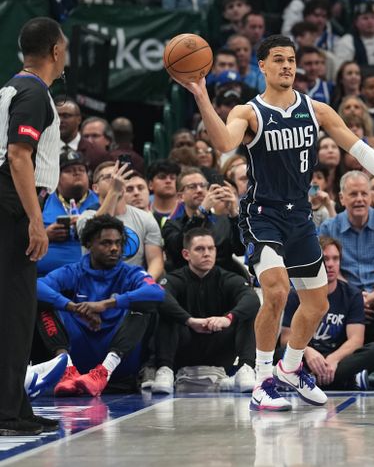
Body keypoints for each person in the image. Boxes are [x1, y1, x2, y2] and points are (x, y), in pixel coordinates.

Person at [177, 34, 374, 411]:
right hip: (262, 214)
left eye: (291, 59)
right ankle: (263, 379)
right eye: (278, 59)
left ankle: (290, 369)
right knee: (277, 291)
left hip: (300, 215)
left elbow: (355, 145)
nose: (287, 66)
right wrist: (201, 96)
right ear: (261, 66)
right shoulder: (247, 113)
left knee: (316, 304)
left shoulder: (315, 109)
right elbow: (222, 143)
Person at [0, 16, 64, 435]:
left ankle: (16, 407)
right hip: (12, 204)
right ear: (56, 52)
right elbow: (18, 156)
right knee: (13, 313)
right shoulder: (33, 92)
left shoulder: (13, 86)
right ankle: (7, 414)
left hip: (9, 200)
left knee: (16, 311)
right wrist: (36, 223)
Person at [40, 215, 165, 397]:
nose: (114, 248)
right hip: (78, 352)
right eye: (106, 243)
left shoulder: (131, 273)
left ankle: (104, 371)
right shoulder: (73, 271)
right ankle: (66, 370)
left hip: (117, 360)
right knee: (43, 305)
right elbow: (36, 287)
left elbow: (157, 292)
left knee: (144, 306)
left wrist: (107, 304)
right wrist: (73, 307)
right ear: (89, 244)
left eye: (117, 243)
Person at [153, 228, 259, 394]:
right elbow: (161, 297)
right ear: (186, 254)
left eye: (211, 248)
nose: (207, 253)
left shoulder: (228, 278)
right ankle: (164, 370)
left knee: (246, 313)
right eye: (200, 249)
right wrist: (189, 320)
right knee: (166, 310)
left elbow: (252, 299)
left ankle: (246, 368)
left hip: (218, 346)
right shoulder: (175, 279)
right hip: (184, 348)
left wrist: (227, 319)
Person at [318, 171, 374, 362]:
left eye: (364, 194)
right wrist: (355, 298)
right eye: (353, 194)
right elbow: (332, 269)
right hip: (345, 294)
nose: (359, 199)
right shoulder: (328, 227)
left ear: (371, 196)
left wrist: (372, 296)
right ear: (342, 198)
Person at [281, 236, 374, 390]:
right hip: (306, 356)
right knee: (280, 352)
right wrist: (307, 352)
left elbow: (356, 340)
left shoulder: (352, 295)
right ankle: (346, 379)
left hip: (338, 358)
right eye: (325, 259)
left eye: (335, 259)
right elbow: (286, 338)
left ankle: (306, 380)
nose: (330, 264)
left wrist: (333, 359)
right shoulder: (297, 294)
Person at [77, 161, 164, 280]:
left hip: (135, 284)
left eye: (119, 176)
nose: (116, 181)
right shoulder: (86, 217)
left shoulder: (145, 218)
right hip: (96, 285)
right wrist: (114, 191)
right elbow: (98, 230)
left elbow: (155, 260)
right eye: (109, 177)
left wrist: (145, 284)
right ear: (95, 188)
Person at [162, 167, 246, 277]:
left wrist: (234, 213)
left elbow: (240, 250)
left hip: (223, 283)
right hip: (187, 283)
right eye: (192, 187)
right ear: (180, 196)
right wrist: (201, 212)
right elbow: (177, 251)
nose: (199, 190)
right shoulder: (171, 225)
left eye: (203, 185)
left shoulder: (223, 220)